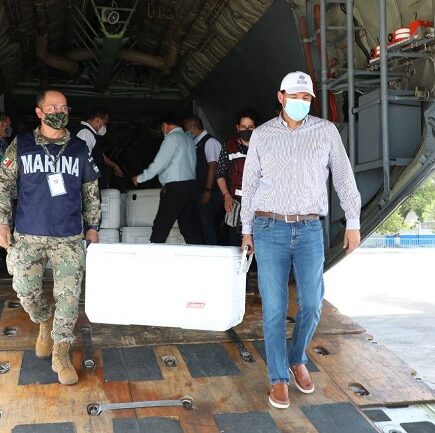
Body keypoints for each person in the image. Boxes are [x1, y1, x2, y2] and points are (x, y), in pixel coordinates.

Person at [241, 71, 361, 409]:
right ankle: (278, 378)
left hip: (309, 230)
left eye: (306, 98)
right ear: (281, 97)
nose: (300, 102)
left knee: (312, 303)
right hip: (269, 229)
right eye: (294, 97)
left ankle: (297, 358)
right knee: (274, 308)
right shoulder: (262, 135)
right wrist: (246, 230)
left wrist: (353, 221)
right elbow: (249, 184)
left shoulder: (326, 132)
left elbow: (343, 177)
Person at [0, 89, 101, 386]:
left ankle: (61, 351)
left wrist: (93, 225)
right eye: (53, 106)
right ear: (40, 112)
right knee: (25, 290)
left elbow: (91, 190)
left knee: (69, 298)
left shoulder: (79, 148)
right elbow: (4, 184)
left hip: (68, 237)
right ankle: (44, 320)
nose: (59, 111)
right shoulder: (22, 144)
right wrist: (2, 222)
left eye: (64, 107)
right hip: (28, 234)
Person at [133, 113, 203, 244]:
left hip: (175, 187)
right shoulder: (189, 139)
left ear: (165, 125)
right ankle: (196, 251)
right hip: (191, 186)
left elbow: (160, 163)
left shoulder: (172, 138)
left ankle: (154, 250)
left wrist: (141, 178)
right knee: (189, 226)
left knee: (162, 224)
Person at [216, 108, 259, 246]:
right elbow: (220, 174)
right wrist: (226, 196)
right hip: (235, 202)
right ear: (237, 128)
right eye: (243, 127)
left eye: (250, 127)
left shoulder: (263, 147)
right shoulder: (229, 147)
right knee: (234, 241)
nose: (247, 130)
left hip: (258, 203)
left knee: (258, 240)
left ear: (256, 128)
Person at [184, 114, 222, 245]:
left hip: (210, 191)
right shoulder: (197, 143)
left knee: (208, 224)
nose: (186, 133)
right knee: (200, 224)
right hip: (199, 191)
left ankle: (213, 250)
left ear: (193, 128)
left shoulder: (210, 142)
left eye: (187, 130)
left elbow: (213, 166)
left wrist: (208, 190)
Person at [76, 107, 123, 189]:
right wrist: (95, 172)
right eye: (104, 123)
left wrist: (113, 165)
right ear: (98, 121)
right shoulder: (85, 133)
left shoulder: (90, 134)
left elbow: (99, 154)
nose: (104, 127)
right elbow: (84, 159)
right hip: (88, 184)